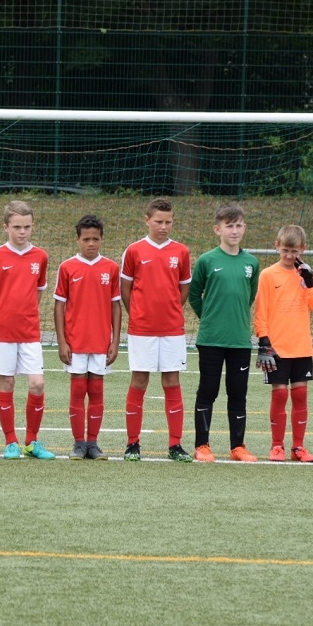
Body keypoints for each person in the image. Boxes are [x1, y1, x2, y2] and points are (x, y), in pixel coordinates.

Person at [120, 198, 193, 463]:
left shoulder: (181, 251)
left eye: (168, 222)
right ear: (147, 220)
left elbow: (183, 289)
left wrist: (170, 310)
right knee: (139, 380)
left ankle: (175, 445)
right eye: (158, 221)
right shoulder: (134, 251)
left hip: (172, 329)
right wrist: (139, 314)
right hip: (142, 329)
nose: (163, 226)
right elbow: (125, 289)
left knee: (172, 381)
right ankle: (132, 444)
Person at [187, 203, 260, 463]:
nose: (234, 231)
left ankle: (237, 446)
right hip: (211, 339)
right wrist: (209, 317)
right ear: (217, 229)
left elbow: (249, 296)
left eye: (239, 225)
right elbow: (194, 294)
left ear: (244, 228)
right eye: (229, 226)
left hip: (239, 340)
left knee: (238, 393)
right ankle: (202, 445)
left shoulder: (251, 263)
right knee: (208, 390)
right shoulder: (207, 260)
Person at [0, 201, 54, 460]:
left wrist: (26, 315)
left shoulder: (40, 256)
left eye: (27, 227)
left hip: (30, 332)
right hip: (4, 332)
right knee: (7, 382)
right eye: (17, 227)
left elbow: (38, 292)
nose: (22, 232)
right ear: (6, 227)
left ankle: (32, 442)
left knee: (37, 383)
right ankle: (10, 442)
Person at [53, 214, 121, 460]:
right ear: (78, 240)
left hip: (101, 342)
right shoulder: (67, 267)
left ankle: (93, 443)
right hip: (75, 341)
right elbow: (59, 306)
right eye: (86, 239)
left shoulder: (111, 268)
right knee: (78, 389)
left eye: (95, 239)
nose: (91, 243)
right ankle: (78, 444)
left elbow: (116, 306)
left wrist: (115, 341)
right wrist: (62, 341)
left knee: (97, 390)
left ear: (102, 239)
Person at [253, 224, 313, 462]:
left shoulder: (306, 275)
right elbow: (261, 311)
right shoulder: (268, 275)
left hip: (301, 346)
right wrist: (263, 339)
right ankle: (277, 446)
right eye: (285, 250)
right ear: (277, 246)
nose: (290, 256)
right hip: (277, 347)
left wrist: (310, 282)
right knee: (280, 395)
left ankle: (298, 447)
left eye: (294, 251)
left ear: (303, 249)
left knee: (300, 394)